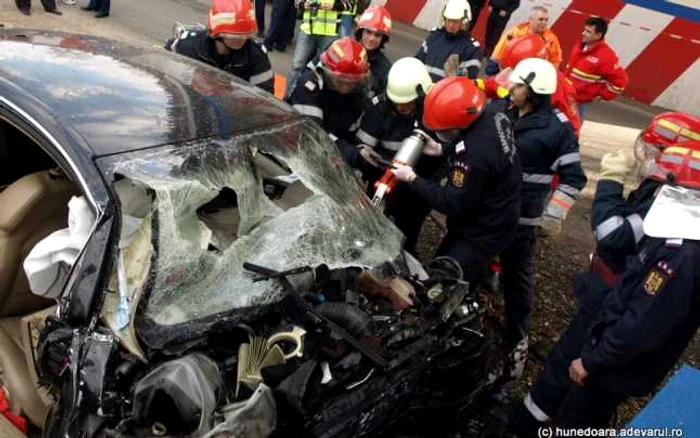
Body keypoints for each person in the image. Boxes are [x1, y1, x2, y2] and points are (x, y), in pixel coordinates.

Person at [507, 121, 700, 435]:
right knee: (565, 370)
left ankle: (526, 424)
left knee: (578, 399)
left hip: (613, 332)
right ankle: (527, 422)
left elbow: (614, 239)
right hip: (613, 318)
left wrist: (610, 182)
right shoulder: (676, 218)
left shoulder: (680, 247)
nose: (644, 157)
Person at [488, 58, 587, 392]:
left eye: (516, 85)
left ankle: (515, 350)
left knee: (518, 289)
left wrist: (553, 215)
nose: (509, 89)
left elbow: (574, 177)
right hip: (488, 214)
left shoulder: (557, 130)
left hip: (521, 224)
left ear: (531, 92)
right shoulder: (504, 109)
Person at [391, 77, 521, 286]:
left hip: (484, 229)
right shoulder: (493, 114)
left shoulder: (474, 156)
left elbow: (452, 203)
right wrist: (443, 149)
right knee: (444, 266)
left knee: (445, 283)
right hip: (495, 211)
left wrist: (412, 178)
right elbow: (472, 141)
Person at [353, 57, 437, 254]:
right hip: (382, 175)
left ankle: (405, 257)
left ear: (421, 94)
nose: (401, 108)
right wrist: (370, 162)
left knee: (409, 226)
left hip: (418, 183)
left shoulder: (434, 109)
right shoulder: (379, 108)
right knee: (372, 220)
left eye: (408, 103)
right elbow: (363, 147)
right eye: (397, 102)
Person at [478, 34, 581, 137]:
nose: (511, 81)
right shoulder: (520, 73)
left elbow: (572, 129)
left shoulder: (561, 86)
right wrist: (475, 85)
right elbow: (495, 83)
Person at [166, 0, 275, 94]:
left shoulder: (256, 56)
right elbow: (164, 82)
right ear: (215, 32)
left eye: (245, 34)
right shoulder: (186, 47)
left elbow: (265, 99)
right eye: (234, 35)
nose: (241, 39)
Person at [286, 37, 368, 159]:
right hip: (295, 153)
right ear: (326, 70)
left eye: (351, 82)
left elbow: (353, 137)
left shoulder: (358, 98)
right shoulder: (308, 86)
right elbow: (313, 135)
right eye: (340, 81)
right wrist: (353, 155)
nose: (345, 87)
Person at [306, 5, 392, 99]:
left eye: (377, 35)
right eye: (368, 32)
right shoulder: (338, 47)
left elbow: (379, 103)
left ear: (383, 39)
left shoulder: (385, 68)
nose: (372, 38)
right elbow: (311, 70)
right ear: (361, 31)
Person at [284, 0, 353, 98]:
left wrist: (334, 5)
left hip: (330, 32)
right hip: (308, 29)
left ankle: (312, 100)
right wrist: (304, 4)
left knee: (323, 70)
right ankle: (287, 98)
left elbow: (351, 5)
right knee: (297, 65)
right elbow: (296, 2)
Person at [565, 16, 628, 120]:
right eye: (584, 30)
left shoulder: (607, 56)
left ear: (598, 35)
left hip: (579, 103)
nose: (583, 33)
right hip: (564, 95)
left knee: (570, 133)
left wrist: (604, 94)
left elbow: (621, 81)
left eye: (588, 31)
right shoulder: (579, 45)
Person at [416, 0, 482, 82]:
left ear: (464, 22)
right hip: (421, 90)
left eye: (455, 22)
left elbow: (469, 83)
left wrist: (456, 75)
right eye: (448, 20)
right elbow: (416, 63)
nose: (450, 25)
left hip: (445, 93)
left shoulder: (472, 49)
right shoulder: (434, 37)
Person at [487, 6, 562, 75]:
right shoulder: (515, 32)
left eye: (546, 20)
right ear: (531, 20)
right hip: (510, 71)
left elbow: (556, 60)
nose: (544, 23)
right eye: (540, 19)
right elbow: (500, 50)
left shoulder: (551, 39)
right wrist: (493, 64)